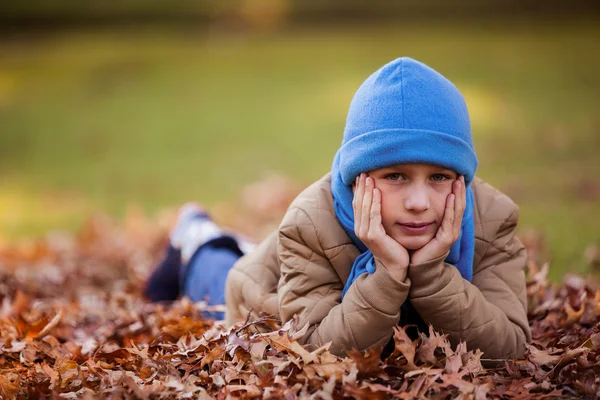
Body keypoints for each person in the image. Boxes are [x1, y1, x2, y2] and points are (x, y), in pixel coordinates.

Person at [145, 57, 531, 359]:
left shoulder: (492, 219)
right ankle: (196, 234)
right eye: (395, 176)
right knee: (218, 277)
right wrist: (387, 274)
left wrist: (430, 274)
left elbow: (509, 347)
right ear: (356, 178)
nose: (418, 203)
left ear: (462, 179)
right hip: (263, 291)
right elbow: (315, 350)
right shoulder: (310, 224)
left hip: (307, 279)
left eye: (439, 177)